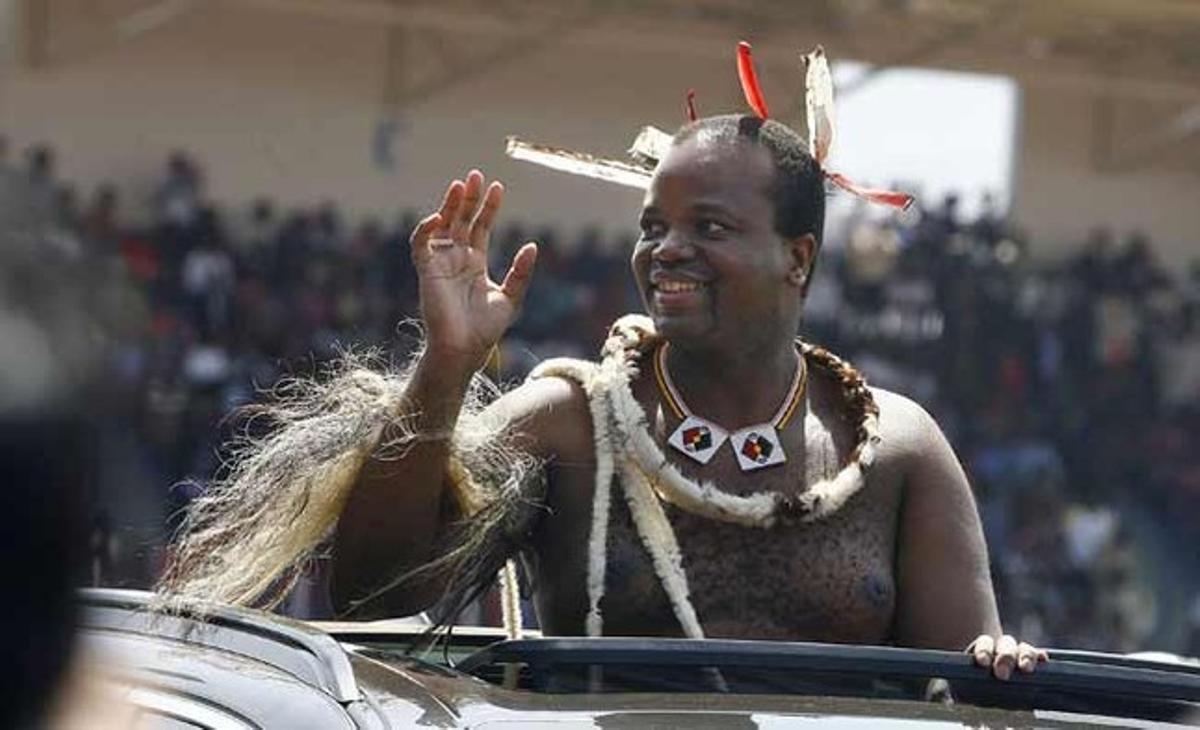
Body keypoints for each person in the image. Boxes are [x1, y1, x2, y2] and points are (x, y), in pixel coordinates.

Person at [162, 49, 1043, 682]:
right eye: (654, 225)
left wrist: (997, 662)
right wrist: (446, 367)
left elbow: (960, 689)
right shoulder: (572, 421)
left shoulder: (891, 450)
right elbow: (371, 600)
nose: (667, 250)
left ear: (798, 258)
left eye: (711, 227)